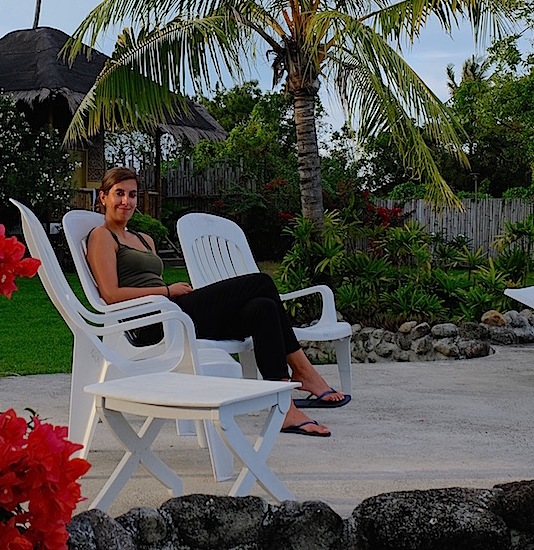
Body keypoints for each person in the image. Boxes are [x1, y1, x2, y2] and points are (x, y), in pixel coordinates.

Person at [85, 166, 349, 437]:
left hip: (174, 315)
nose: (126, 201)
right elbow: (110, 295)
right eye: (119, 193)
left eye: (132, 195)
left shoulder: (144, 239)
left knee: (263, 308)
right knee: (261, 283)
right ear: (103, 197)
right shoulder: (102, 236)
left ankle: (284, 408)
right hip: (151, 324)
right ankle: (303, 370)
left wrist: (169, 294)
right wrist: (167, 291)